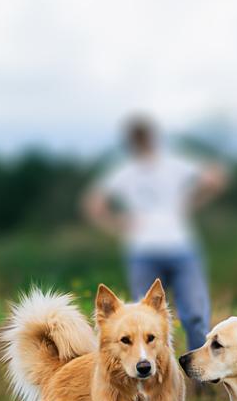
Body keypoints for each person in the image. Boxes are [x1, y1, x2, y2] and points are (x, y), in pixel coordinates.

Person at [82, 116, 228, 352]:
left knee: (195, 316)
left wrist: (191, 203)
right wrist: (118, 224)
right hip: (143, 253)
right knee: (146, 324)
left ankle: (202, 379)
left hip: (181, 249)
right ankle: (154, 379)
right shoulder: (124, 171)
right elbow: (93, 203)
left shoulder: (174, 163)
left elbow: (216, 178)